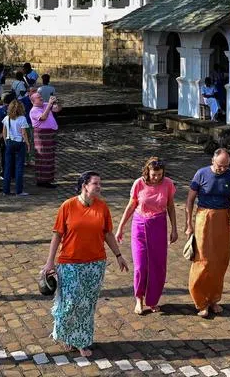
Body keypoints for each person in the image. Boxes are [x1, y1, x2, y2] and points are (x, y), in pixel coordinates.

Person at [41, 172, 128, 358]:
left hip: (95, 264)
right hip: (70, 263)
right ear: (84, 186)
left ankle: (81, 340)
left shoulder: (102, 207)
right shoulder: (68, 206)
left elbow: (107, 234)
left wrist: (119, 255)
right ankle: (65, 333)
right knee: (70, 303)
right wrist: (50, 261)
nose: (99, 187)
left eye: (100, 183)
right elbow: (57, 235)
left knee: (87, 305)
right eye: (95, 183)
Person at [185, 148, 230, 318]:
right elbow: (189, 200)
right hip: (204, 217)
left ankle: (213, 299)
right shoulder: (201, 174)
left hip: (223, 218)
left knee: (220, 261)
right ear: (213, 160)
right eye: (220, 166)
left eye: (226, 166)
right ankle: (200, 301)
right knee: (203, 260)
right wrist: (188, 223)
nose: (223, 169)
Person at [114, 158, 177, 314]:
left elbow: (170, 206)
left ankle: (153, 299)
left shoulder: (168, 184)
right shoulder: (139, 183)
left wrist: (174, 228)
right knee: (141, 265)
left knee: (158, 265)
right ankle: (139, 298)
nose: (157, 177)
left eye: (160, 174)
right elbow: (131, 205)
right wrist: (120, 227)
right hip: (140, 225)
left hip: (159, 225)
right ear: (147, 172)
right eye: (154, 174)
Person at [30, 91, 62, 188]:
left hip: (49, 134)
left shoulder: (44, 105)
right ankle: (42, 181)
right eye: (38, 97)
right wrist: (49, 105)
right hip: (42, 136)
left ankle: (48, 179)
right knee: (43, 157)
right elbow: (43, 117)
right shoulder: (34, 110)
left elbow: (58, 109)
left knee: (50, 157)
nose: (41, 98)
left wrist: (57, 102)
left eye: (40, 96)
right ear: (33, 101)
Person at [2, 99, 31, 196]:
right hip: (19, 143)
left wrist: (6, 141)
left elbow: (4, 131)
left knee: (8, 167)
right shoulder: (22, 118)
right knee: (19, 167)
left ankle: (6, 190)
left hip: (10, 142)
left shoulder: (7, 118)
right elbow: (23, 132)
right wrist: (27, 143)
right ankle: (19, 190)